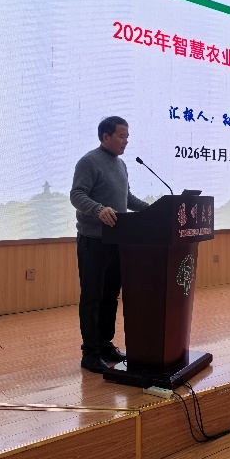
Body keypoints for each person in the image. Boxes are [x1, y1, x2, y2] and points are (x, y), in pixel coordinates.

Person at [70, 116, 148, 373]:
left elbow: (127, 198)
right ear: (106, 137)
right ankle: (90, 354)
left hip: (117, 241)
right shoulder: (89, 161)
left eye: (127, 136)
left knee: (110, 297)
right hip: (93, 241)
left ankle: (104, 345)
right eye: (121, 136)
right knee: (92, 297)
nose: (126, 141)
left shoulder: (121, 164)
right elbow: (77, 194)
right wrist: (98, 209)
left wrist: (154, 210)